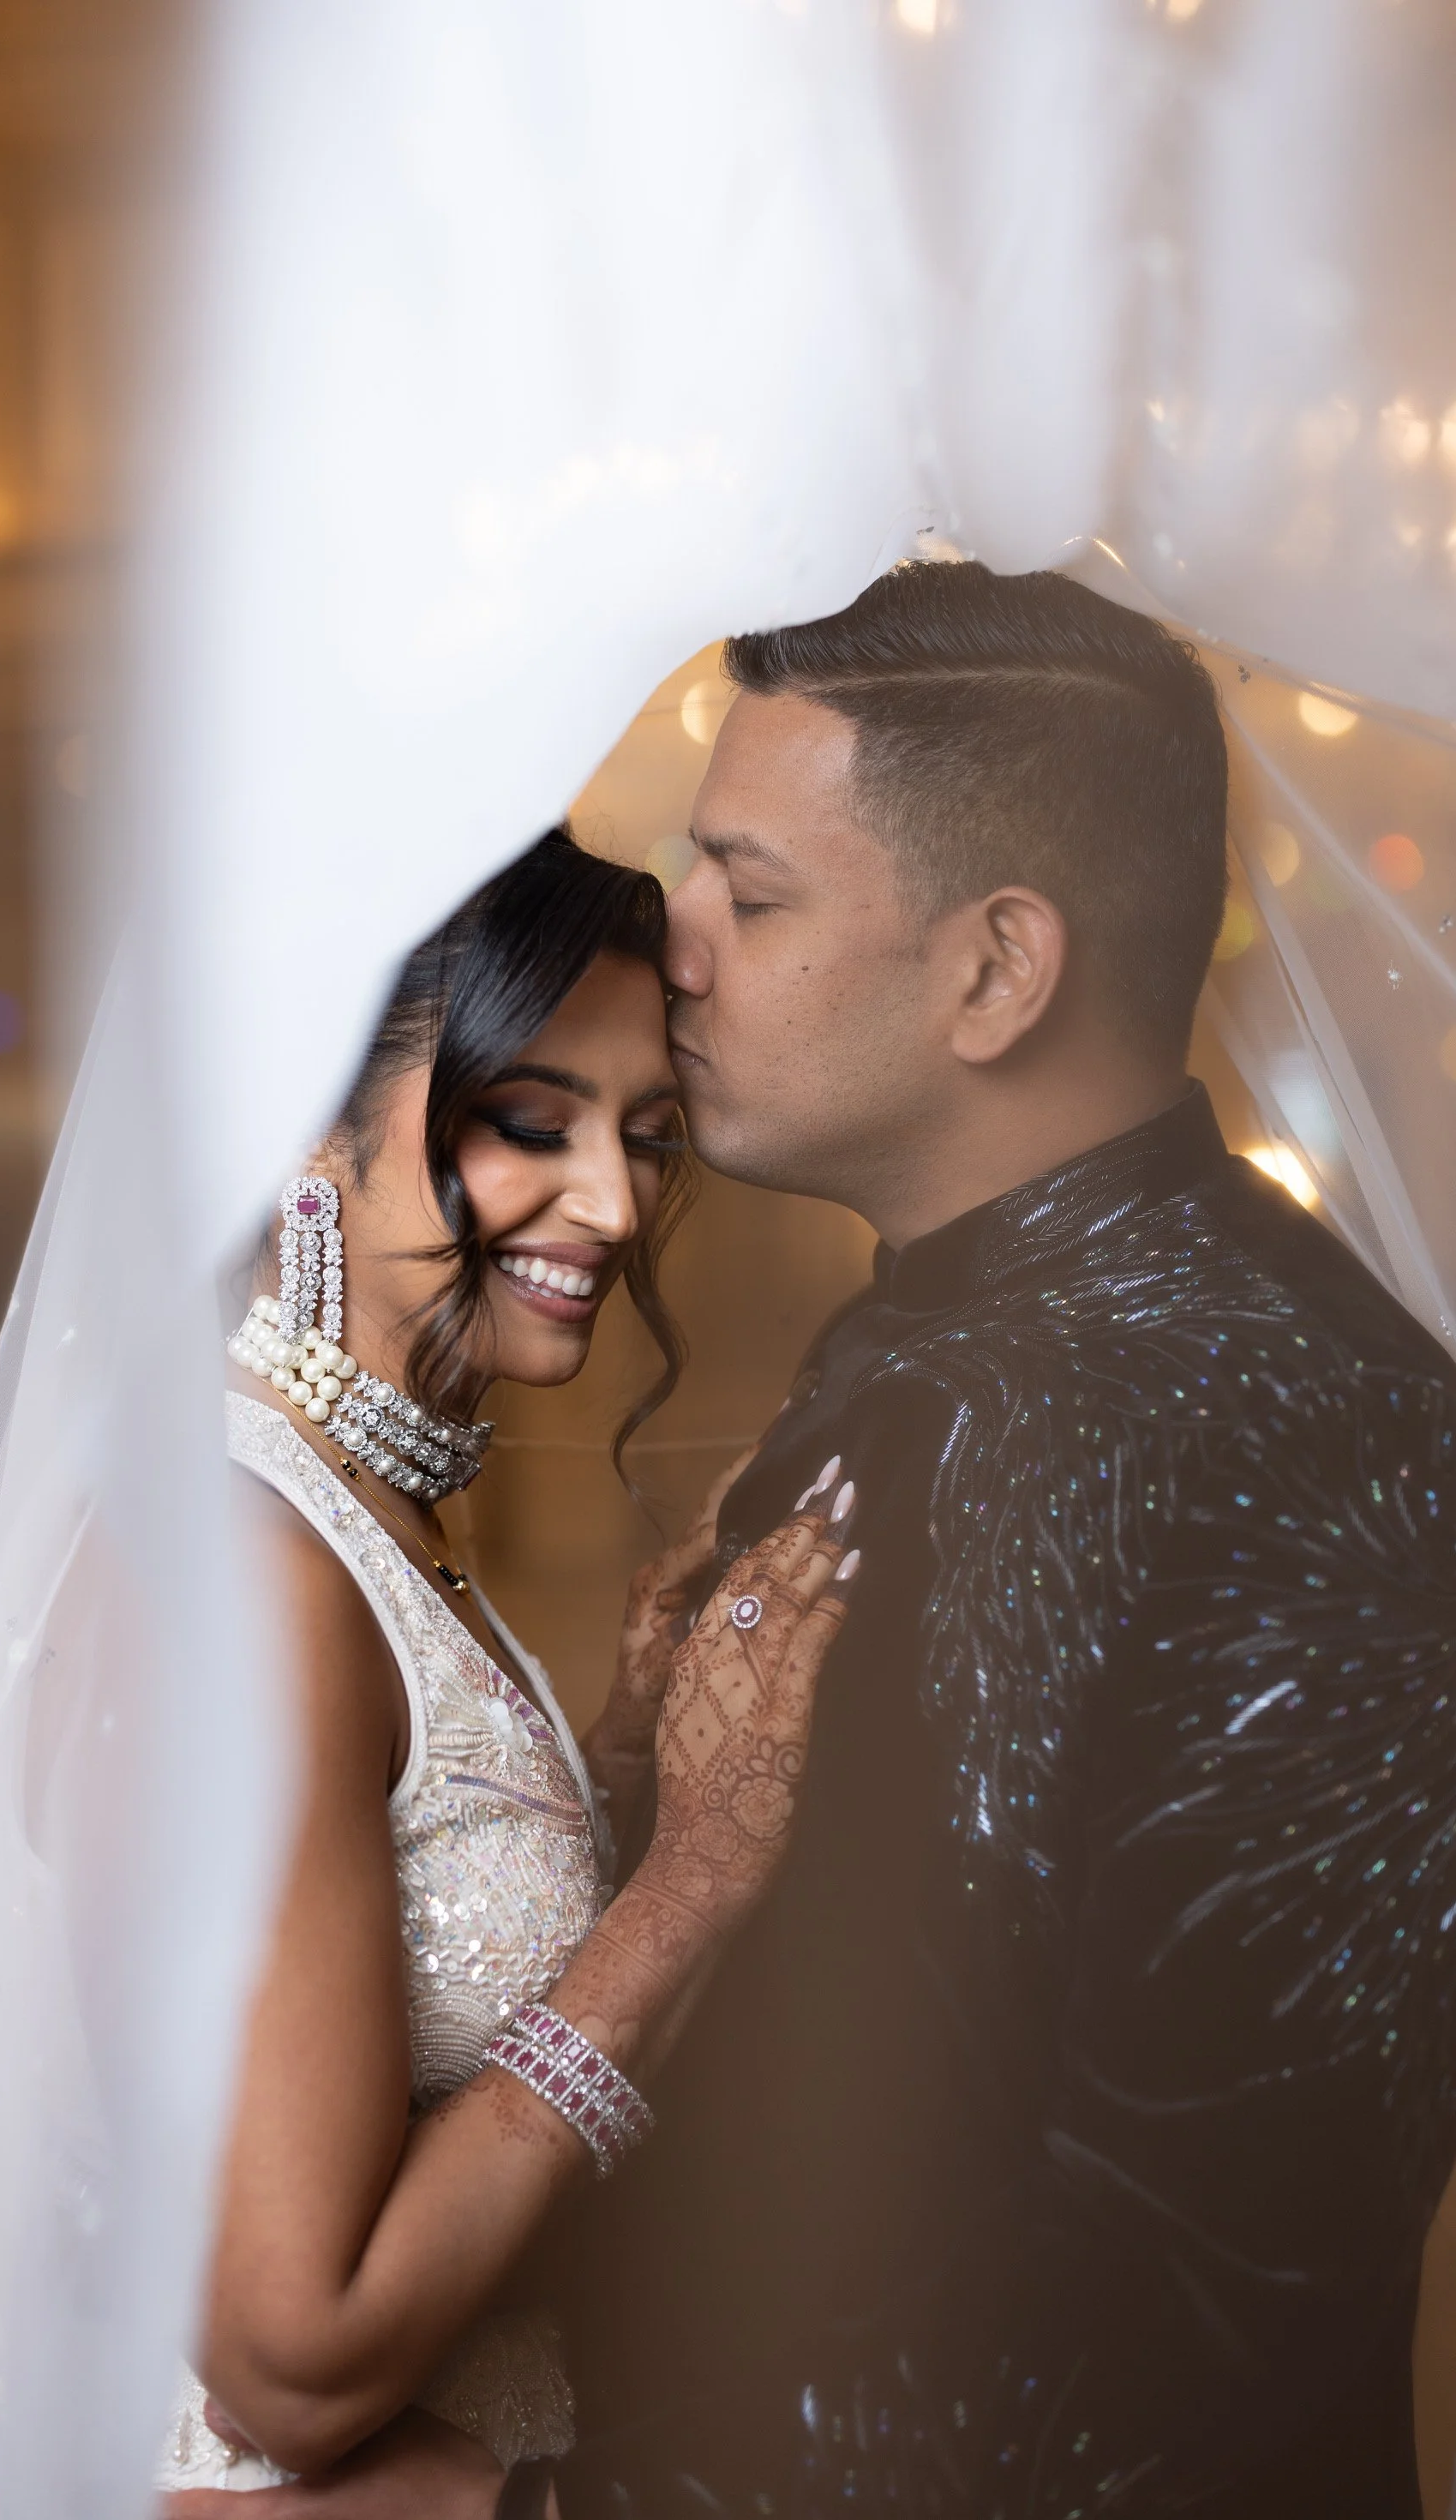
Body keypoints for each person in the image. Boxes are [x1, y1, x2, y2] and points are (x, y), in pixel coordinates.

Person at [227, 562, 1456, 2520]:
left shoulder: (1312, 1439)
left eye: (748, 888)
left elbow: (1196, 2303)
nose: (671, 944)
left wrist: (530, 2514)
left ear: (994, 969)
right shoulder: (904, 1337)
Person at [152, 831, 855, 2505]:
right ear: (309, 1127)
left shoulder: (366, 1515)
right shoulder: (260, 1563)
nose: (613, 1204)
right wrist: (683, 1887)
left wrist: (621, 1755)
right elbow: (291, 2359)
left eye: (647, 1136)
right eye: (533, 1123)